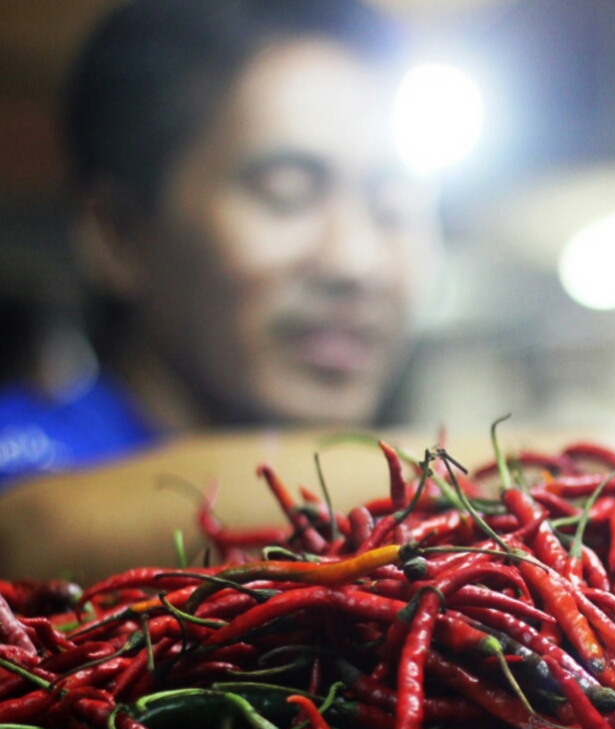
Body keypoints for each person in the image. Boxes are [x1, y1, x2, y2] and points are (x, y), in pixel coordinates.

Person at [0, 0, 438, 580]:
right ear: (120, 233)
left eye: (394, 207)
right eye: (285, 193)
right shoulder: (28, 451)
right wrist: (557, 465)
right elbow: (36, 529)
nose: (356, 261)